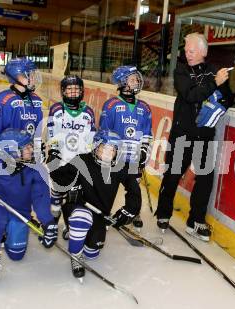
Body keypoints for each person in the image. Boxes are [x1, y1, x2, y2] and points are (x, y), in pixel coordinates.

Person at [155, 32, 233, 241]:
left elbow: (228, 98)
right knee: (172, 175)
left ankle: (195, 221)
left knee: (205, 178)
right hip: (182, 134)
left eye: (191, 51)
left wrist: (222, 93)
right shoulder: (181, 70)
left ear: (203, 52)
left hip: (205, 135)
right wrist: (214, 84)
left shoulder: (214, 71)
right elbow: (190, 95)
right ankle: (163, 213)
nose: (187, 55)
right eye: (186, 51)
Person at [0, 128, 57, 287]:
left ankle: (6, 232)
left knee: (17, 255)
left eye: (30, 146)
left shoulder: (37, 170)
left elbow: (40, 199)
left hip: (20, 213)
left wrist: (48, 222)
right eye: (26, 148)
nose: (31, 150)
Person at [49, 130, 140, 281]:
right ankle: (76, 256)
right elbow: (60, 180)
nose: (107, 153)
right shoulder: (82, 160)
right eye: (104, 148)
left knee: (92, 252)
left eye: (112, 149)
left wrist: (129, 209)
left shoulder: (120, 167)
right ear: (96, 147)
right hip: (76, 208)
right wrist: (53, 163)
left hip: (99, 214)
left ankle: (78, 236)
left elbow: (133, 190)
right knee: (81, 217)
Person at [99, 66, 153, 232]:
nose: (136, 82)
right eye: (132, 80)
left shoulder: (144, 107)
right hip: (116, 157)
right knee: (109, 188)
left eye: (136, 79)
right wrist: (108, 153)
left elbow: (147, 134)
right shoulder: (111, 105)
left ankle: (133, 212)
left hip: (134, 158)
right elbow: (103, 132)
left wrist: (144, 151)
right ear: (122, 82)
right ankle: (104, 212)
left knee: (134, 189)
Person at [46, 75, 96, 238]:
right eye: (69, 89)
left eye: (76, 89)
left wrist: (89, 156)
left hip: (79, 159)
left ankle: (70, 224)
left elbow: (91, 137)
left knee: (75, 195)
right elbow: (51, 133)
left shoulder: (88, 112)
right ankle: (53, 217)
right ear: (63, 91)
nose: (73, 92)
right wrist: (53, 151)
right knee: (57, 191)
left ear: (82, 91)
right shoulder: (56, 109)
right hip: (60, 157)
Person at [0, 57, 44, 160]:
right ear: (17, 76)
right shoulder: (3, 101)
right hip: (9, 158)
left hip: (29, 156)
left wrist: (38, 151)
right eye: (29, 74)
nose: (33, 78)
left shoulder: (37, 101)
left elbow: (37, 132)